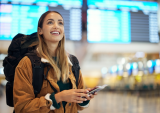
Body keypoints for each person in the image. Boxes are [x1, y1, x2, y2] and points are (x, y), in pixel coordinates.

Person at [13, 11, 97, 113]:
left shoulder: (72, 62)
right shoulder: (27, 63)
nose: (56, 26)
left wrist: (84, 97)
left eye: (60, 23)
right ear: (40, 30)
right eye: (50, 22)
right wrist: (58, 98)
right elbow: (21, 108)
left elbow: (78, 106)